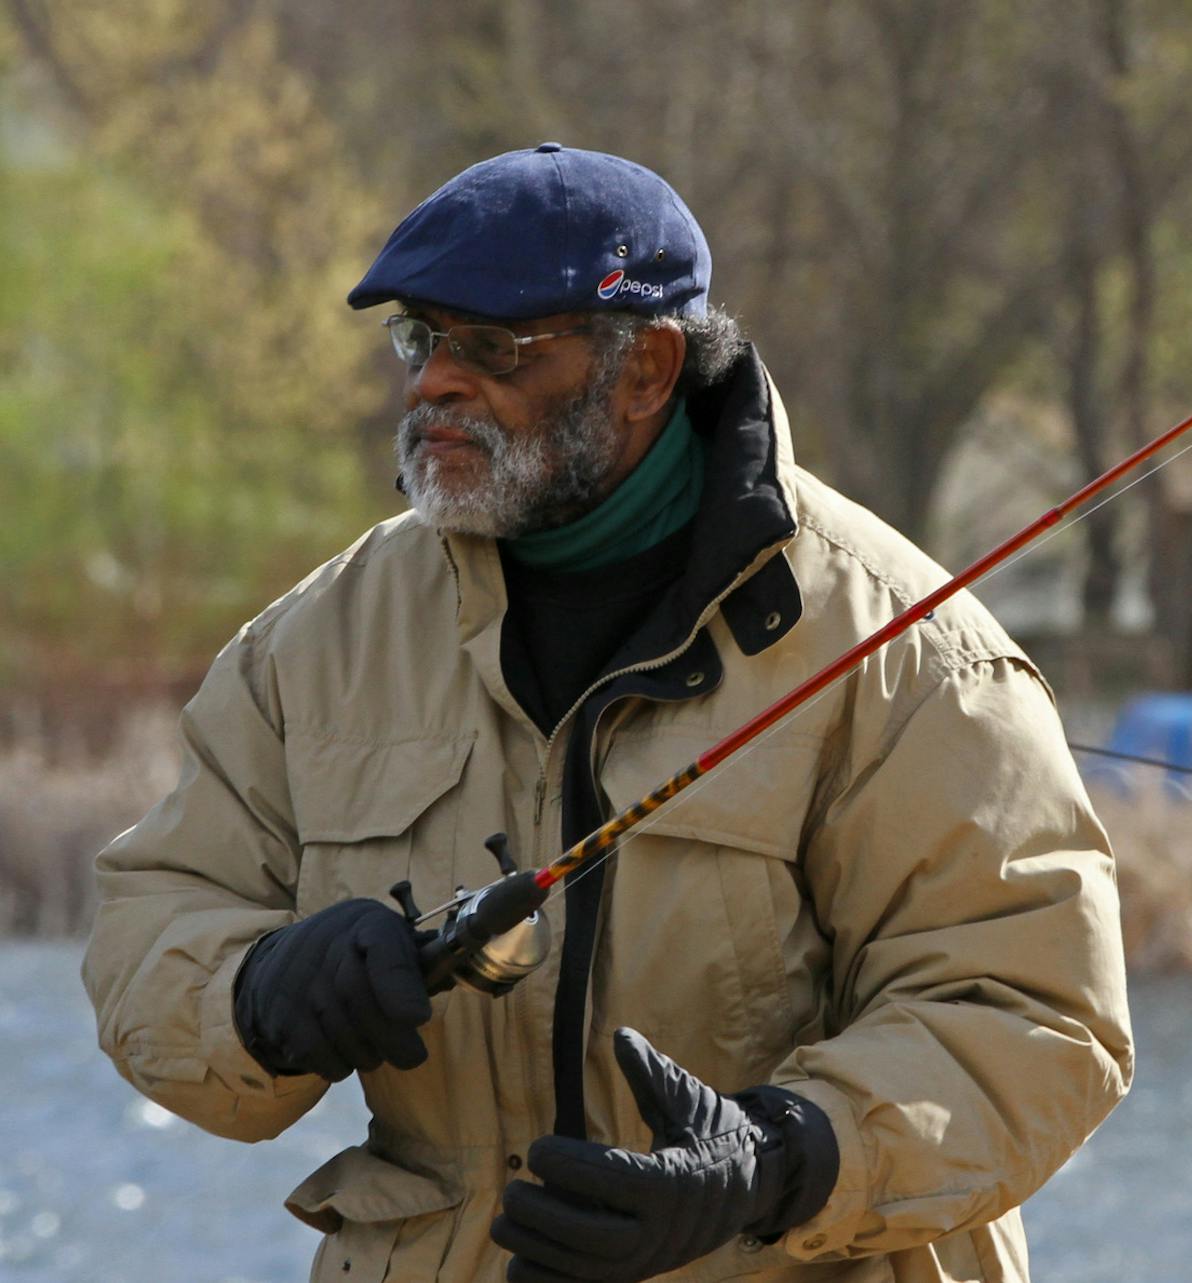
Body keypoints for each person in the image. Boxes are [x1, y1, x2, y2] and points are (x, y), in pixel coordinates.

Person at [81, 143, 1133, 1282]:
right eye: (421, 339)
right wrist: (260, 994)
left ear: (646, 371)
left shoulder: (912, 652)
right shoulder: (312, 643)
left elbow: (1037, 1014)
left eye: (491, 347)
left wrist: (780, 1162)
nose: (431, 381)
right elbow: (153, 925)